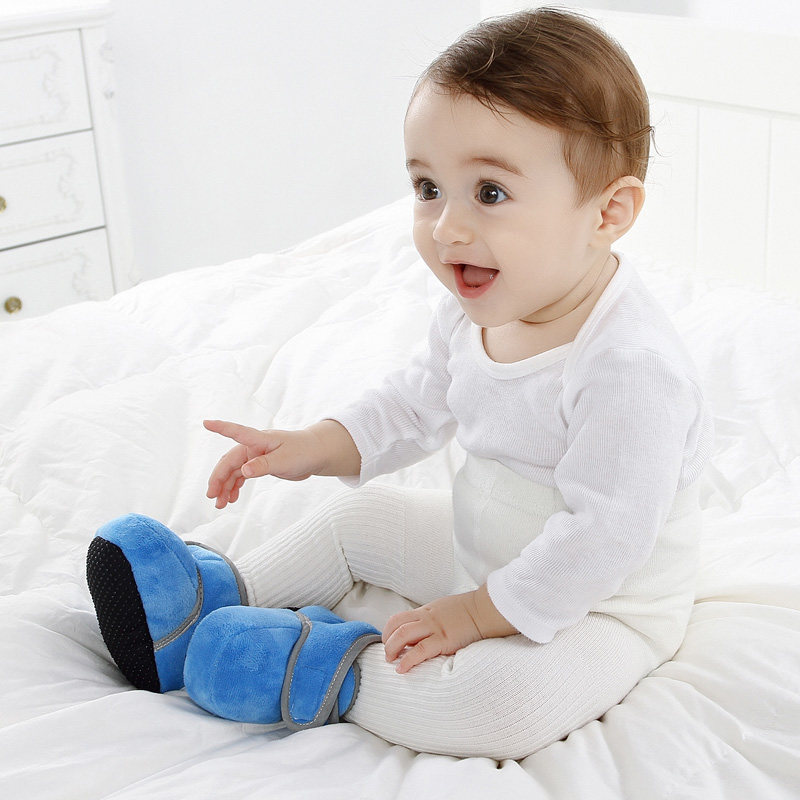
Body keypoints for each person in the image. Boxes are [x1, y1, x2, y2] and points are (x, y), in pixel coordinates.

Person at [87, 7, 713, 760]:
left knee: (502, 706)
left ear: (608, 212)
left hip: (602, 601)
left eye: (489, 193)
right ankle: (207, 601)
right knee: (362, 520)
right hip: (486, 546)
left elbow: (604, 539)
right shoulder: (478, 308)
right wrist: (316, 444)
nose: (446, 228)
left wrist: (474, 615)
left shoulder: (631, 366)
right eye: (428, 187)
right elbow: (415, 403)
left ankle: (322, 669)